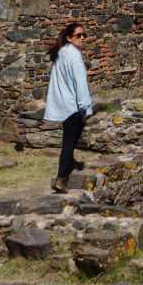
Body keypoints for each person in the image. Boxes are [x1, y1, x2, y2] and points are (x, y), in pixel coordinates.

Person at [45, 20, 94, 194]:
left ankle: (70, 163)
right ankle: (62, 178)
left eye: (83, 35)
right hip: (73, 106)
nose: (82, 38)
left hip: (63, 104)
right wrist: (86, 107)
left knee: (69, 139)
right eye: (78, 35)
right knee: (69, 142)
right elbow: (80, 83)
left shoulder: (62, 52)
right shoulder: (74, 55)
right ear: (69, 37)